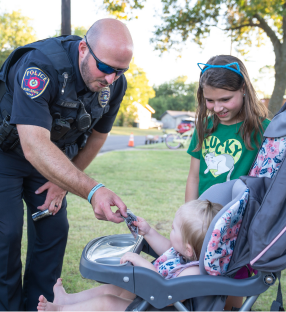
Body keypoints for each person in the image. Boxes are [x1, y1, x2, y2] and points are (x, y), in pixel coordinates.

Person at [0, 19, 133, 311]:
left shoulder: (114, 83)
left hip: (52, 159)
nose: (112, 78)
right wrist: (92, 190)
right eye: (106, 68)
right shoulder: (40, 66)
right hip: (7, 153)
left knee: (53, 230)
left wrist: (63, 183)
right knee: (6, 234)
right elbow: (33, 144)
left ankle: (40, 305)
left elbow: (97, 137)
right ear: (84, 49)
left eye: (120, 71)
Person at [185, 54, 270, 309]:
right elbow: (193, 175)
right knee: (200, 285)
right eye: (209, 100)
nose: (217, 107)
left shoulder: (263, 129)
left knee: (233, 289)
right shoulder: (205, 126)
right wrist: (189, 213)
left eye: (225, 99)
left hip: (238, 227)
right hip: (203, 221)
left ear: (243, 89)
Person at [37, 200, 223, 311]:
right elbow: (167, 249)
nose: (170, 231)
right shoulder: (185, 255)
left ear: (189, 249)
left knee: (107, 302)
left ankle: (60, 310)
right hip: (148, 298)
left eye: (174, 229)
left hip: (158, 308)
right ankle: (68, 300)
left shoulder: (194, 273)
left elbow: (168, 290)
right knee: (113, 289)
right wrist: (148, 232)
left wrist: (139, 261)